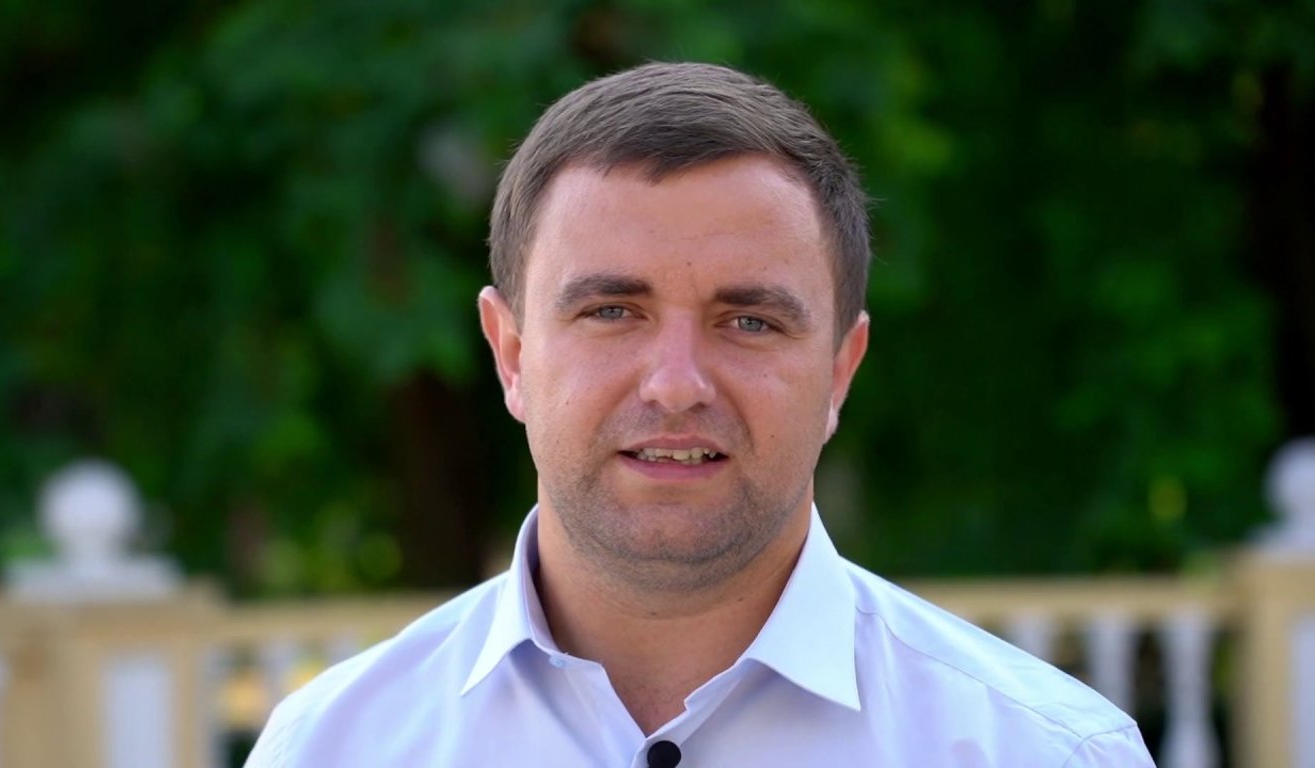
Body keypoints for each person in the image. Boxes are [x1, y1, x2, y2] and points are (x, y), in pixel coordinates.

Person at [245, 62, 1156, 768]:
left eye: (749, 321)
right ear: (512, 353)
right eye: (612, 311)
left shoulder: (1045, 752)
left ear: (840, 372)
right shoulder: (332, 749)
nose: (676, 385)